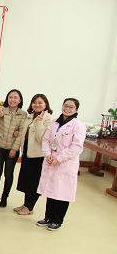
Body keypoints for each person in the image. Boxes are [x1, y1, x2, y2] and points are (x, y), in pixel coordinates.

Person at [36, 98, 86, 231]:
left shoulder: (78, 125)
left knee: (63, 192)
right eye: (65, 106)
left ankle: (57, 220)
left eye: (71, 107)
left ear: (76, 109)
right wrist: (48, 154)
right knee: (51, 190)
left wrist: (59, 158)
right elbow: (46, 139)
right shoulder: (54, 122)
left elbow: (77, 147)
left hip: (66, 163)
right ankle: (48, 217)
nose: (67, 109)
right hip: (51, 160)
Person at [14, 94, 53, 215]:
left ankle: (30, 207)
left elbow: (41, 138)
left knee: (34, 182)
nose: (37, 105)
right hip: (27, 152)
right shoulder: (30, 116)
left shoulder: (48, 119)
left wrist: (39, 122)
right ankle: (26, 204)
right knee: (27, 181)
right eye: (34, 102)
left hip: (38, 155)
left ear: (46, 104)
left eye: (40, 102)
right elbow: (24, 133)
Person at [0, 89, 27, 207]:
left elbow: (21, 133)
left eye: (16, 97)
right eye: (10, 97)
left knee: (8, 174)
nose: (13, 100)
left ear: (20, 100)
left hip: (12, 149)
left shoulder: (23, 114)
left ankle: (4, 198)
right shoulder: (2, 109)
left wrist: (14, 149)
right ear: (7, 98)